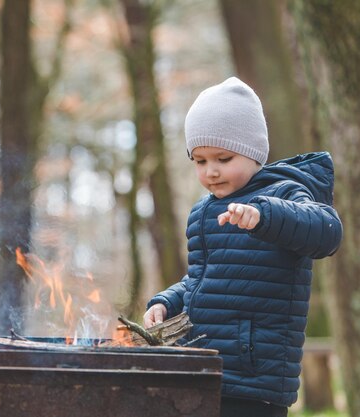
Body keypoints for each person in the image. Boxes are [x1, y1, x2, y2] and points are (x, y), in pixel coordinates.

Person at [143, 77, 343, 417]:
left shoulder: (284, 193)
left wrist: (265, 216)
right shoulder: (202, 213)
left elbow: (327, 232)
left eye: (223, 157)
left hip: (255, 380)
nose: (211, 172)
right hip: (205, 366)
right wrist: (167, 301)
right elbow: (200, 279)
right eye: (200, 161)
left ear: (253, 153)